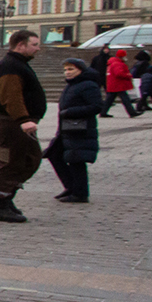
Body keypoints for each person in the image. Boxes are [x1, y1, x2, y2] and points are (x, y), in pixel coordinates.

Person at [0, 29, 46, 222]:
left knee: (30, 158)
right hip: (9, 121)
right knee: (10, 160)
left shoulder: (18, 64)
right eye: (34, 45)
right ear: (21, 45)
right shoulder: (10, 66)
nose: (38, 48)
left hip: (15, 121)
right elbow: (11, 96)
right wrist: (23, 119)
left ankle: (7, 196)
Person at [44, 58, 103, 203]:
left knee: (76, 160)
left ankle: (80, 193)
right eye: (65, 70)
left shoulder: (88, 85)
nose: (67, 72)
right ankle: (71, 187)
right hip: (67, 129)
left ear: (80, 70)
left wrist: (71, 112)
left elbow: (96, 106)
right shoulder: (72, 85)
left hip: (80, 129)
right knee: (54, 154)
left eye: (71, 69)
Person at [100, 48, 140, 118]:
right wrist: (128, 75)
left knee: (109, 100)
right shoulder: (118, 64)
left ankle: (103, 112)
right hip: (118, 85)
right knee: (125, 99)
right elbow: (119, 74)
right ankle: (132, 112)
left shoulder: (112, 63)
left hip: (113, 84)